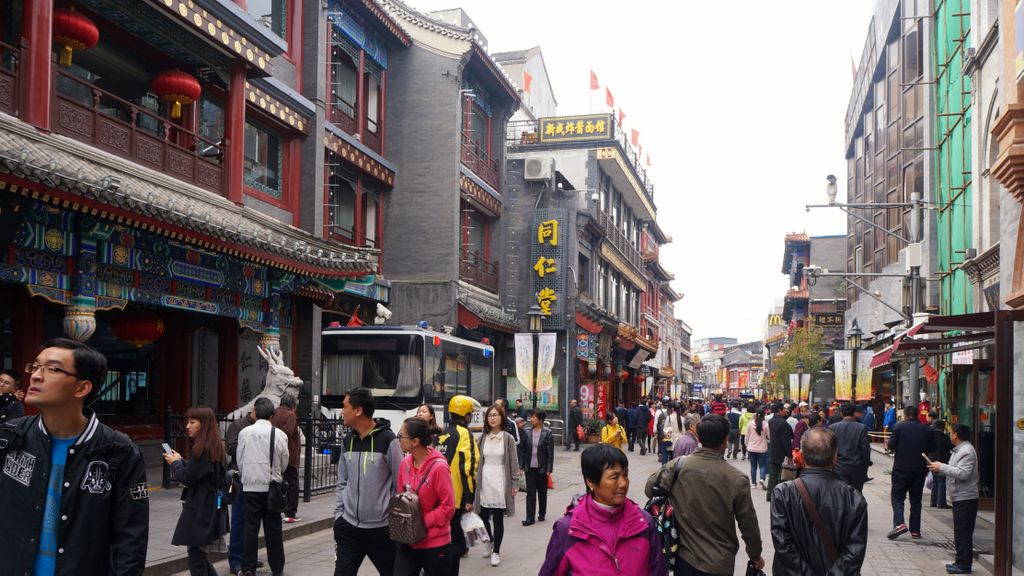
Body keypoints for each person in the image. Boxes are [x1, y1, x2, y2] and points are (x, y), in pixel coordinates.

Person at [0, 338, 149, 575]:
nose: (36, 376)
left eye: (52, 369)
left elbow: (131, 540)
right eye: (36, 367)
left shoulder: (118, 452)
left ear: (82, 388)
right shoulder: (9, 437)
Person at [539, 444, 666, 575]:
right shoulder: (568, 530)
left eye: (625, 475)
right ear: (591, 482)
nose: (623, 483)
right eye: (614, 477)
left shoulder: (643, 523)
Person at [671, 414, 763, 575]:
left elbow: (651, 488)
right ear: (725, 440)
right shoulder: (737, 479)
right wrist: (755, 555)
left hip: (684, 558)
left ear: (699, 436)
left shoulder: (677, 466)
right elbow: (748, 524)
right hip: (719, 562)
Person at [770, 427, 868, 575]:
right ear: (835, 457)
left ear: (800, 457)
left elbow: (782, 543)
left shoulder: (783, 492)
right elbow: (856, 549)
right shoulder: (853, 497)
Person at [333, 387, 403, 576]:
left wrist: (394, 522)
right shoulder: (348, 440)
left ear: (358, 410)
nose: (342, 411)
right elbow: (342, 482)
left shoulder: (389, 440)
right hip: (349, 528)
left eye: (345, 406)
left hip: (381, 530)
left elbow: (400, 484)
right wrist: (339, 516)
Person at [163, 406, 230, 576]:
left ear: (204, 425)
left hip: (200, 509)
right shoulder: (214, 446)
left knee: (196, 557)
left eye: (193, 422)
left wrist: (175, 463)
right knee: (199, 554)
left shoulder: (202, 449)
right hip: (211, 505)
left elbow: (186, 478)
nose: (187, 426)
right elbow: (200, 472)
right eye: (188, 422)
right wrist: (182, 461)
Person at [393, 417, 455, 576]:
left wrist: (422, 522)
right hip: (409, 541)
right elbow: (401, 497)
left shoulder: (439, 468)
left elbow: (448, 507)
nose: (398, 439)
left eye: (401, 435)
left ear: (415, 441)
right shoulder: (405, 464)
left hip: (435, 543)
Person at [236, 397, 289, 576]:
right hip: (271, 488)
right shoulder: (280, 435)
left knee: (250, 529)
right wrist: (275, 473)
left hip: (250, 487)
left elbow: (240, 460)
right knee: (273, 530)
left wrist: (248, 475)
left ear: (255, 413)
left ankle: (248, 568)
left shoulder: (244, 433)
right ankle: (277, 568)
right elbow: (284, 461)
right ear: (272, 415)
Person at [926, 424, 979, 574]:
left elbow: (963, 473)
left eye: (951, 433)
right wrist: (939, 468)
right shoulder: (959, 450)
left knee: (963, 532)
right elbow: (954, 470)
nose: (949, 435)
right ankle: (960, 561)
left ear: (955, 435)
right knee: (960, 532)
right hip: (959, 496)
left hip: (965, 497)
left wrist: (942, 467)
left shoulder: (966, 451)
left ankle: (964, 565)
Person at [438, 394, 481, 572]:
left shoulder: (443, 434)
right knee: (456, 543)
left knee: (442, 540)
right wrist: (469, 498)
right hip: (455, 498)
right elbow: (468, 469)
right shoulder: (466, 435)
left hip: (438, 496)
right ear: (466, 415)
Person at [474, 405, 520, 567]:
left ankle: (496, 552)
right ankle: (489, 540)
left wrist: (515, 483)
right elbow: (477, 460)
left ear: (501, 417)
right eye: (490, 415)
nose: (492, 418)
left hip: (501, 479)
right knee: (482, 515)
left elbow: (514, 464)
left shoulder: (508, 439)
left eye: (495, 415)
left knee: (498, 518)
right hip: (484, 479)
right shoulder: (482, 438)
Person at [887, 405, 936, 540]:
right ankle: (915, 530)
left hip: (901, 468)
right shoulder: (927, 429)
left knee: (897, 497)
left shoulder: (899, 427)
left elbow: (891, 445)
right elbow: (933, 447)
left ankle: (899, 523)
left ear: (906, 415)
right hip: (919, 470)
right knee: (916, 500)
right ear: (917, 415)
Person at [225, 406, 256, 574]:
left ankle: (247, 557)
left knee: (251, 521)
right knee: (238, 520)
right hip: (239, 478)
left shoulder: (262, 426)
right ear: (255, 410)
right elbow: (230, 448)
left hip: (254, 479)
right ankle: (235, 559)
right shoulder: (238, 425)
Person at [519, 409, 554, 526]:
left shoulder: (547, 433)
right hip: (530, 467)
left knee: (542, 492)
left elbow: (550, 453)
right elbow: (522, 450)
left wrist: (549, 469)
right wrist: (521, 465)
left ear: (541, 420)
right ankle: (530, 518)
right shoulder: (527, 431)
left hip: (542, 468)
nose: (531, 419)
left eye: (534, 417)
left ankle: (542, 513)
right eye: (531, 417)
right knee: (530, 493)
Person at [271, 393, 302, 523]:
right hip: (288, 455)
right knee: (292, 484)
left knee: (278, 482)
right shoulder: (290, 415)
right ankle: (290, 512)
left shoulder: (274, 413)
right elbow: (287, 434)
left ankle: (277, 508)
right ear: (293, 406)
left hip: (274, 453)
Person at [830, 402, 871, 492]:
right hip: (856, 467)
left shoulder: (832, 427)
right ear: (854, 413)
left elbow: (830, 448)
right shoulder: (862, 428)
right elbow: (866, 450)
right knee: (856, 494)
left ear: (841, 413)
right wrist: (866, 466)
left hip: (838, 467)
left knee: (840, 494)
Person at [767, 402, 794, 501]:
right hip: (781, 452)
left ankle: (769, 495)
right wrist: (789, 454)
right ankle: (778, 496)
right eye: (783, 409)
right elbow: (786, 440)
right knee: (780, 476)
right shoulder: (783, 423)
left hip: (773, 450)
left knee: (772, 475)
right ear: (779, 410)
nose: (785, 411)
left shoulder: (771, 421)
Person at [927, 410, 952, 509]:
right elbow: (951, 447)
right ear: (942, 428)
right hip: (941, 461)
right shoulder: (944, 437)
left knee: (935, 481)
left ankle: (933, 502)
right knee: (941, 481)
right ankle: (940, 502)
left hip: (930, 461)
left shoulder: (930, 436)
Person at [745, 408, 770, 490]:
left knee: (753, 466)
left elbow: (747, 436)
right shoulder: (765, 424)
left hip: (751, 448)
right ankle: (762, 478)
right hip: (762, 449)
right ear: (764, 415)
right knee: (763, 465)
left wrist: (747, 445)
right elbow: (769, 436)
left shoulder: (750, 423)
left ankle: (753, 483)